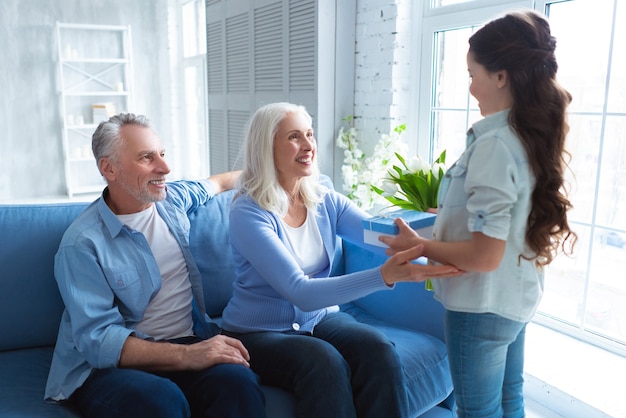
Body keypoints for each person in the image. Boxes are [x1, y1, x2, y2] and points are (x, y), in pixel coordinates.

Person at [381, 10, 577, 418]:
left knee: (479, 412)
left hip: (481, 306)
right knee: (510, 402)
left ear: (501, 76)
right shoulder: (526, 136)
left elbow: (486, 256)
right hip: (514, 297)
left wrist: (418, 245)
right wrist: (449, 213)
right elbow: (504, 213)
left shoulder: (494, 144)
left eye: (473, 75)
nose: (471, 87)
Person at [220, 102, 462, 418]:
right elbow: (301, 292)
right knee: (324, 363)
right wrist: (384, 276)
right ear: (267, 148)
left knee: (376, 349)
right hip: (257, 333)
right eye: (294, 137)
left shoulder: (325, 200)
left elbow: (385, 237)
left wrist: (440, 226)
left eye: (309, 134)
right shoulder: (248, 212)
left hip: (319, 318)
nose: (308, 145)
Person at [44, 113, 265, 418]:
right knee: (159, 400)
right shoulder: (82, 244)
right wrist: (189, 355)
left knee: (238, 382)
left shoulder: (172, 200)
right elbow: (98, 340)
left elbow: (220, 182)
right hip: (110, 368)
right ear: (109, 168)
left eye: (161, 154)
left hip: (187, 341)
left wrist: (278, 173)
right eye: (147, 158)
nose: (165, 168)